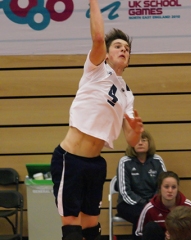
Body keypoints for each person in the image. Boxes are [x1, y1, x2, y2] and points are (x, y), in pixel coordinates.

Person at [50, 0, 144, 239]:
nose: (123, 50)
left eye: (127, 49)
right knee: (71, 227)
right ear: (107, 54)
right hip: (70, 159)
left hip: (95, 164)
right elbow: (99, 37)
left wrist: (135, 130)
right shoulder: (96, 69)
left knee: (92, 227)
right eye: (118, 46)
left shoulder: (127, 94)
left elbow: (132, 141)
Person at [116, 130, 167, 240]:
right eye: (137, 140)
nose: (140, 143)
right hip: (128, 204)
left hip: (153, 202)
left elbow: (163, 185)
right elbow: (125, 192)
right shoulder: (124, 162)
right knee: (142, 215)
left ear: (149, 143)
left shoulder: (157, 160)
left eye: (143, 140)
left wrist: (152, 202)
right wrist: (143, 204)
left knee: (165, 214)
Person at [135, 171, 191, 240]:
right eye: (166, 187)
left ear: (178, 188)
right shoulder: (149, 208)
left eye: (173, 187)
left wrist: (179, 236)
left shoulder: (187, 205)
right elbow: (139, 233)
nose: (170, 190)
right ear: (160, 188)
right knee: (151, 227)